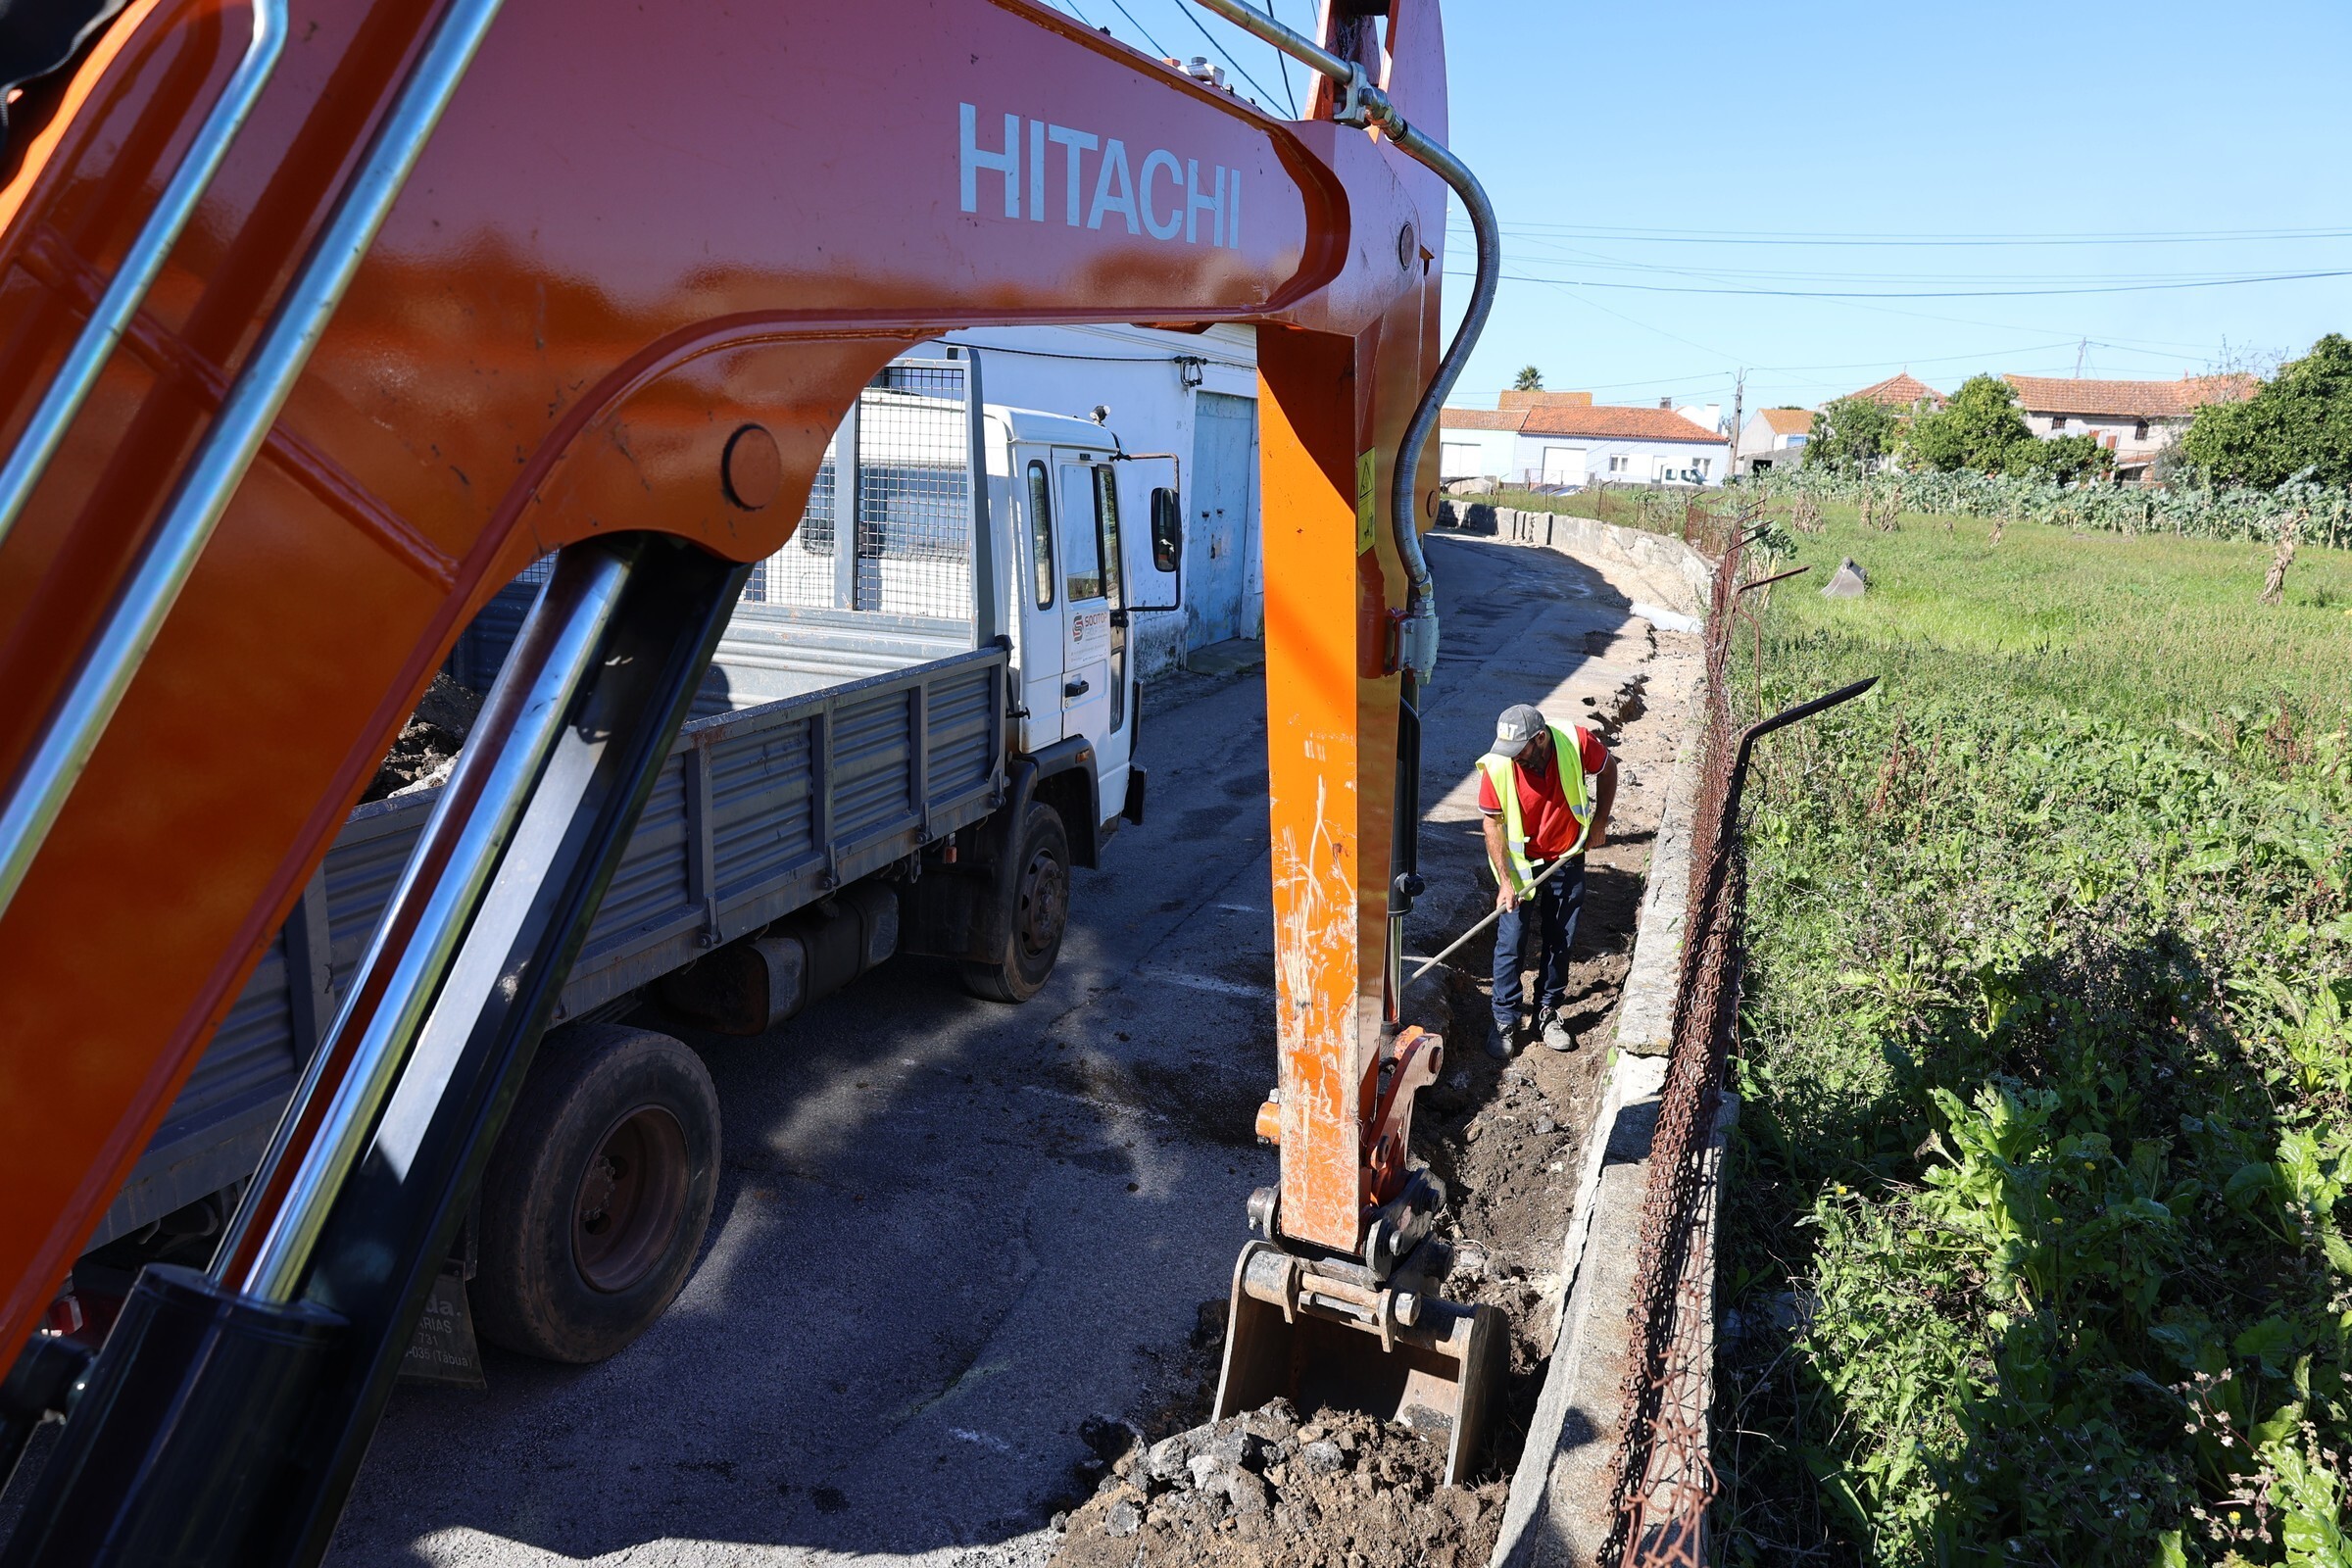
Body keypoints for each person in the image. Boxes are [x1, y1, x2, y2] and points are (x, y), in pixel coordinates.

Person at [1478, 703, 1616, 1057]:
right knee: (1511, 941)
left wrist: (1600, 820)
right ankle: (1504, 1019)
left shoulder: (1575, 742)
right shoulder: (1497, 765)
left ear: (1540, 739)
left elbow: (1607, 768)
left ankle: (1548, 1012)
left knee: (1559, 938)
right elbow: (1491, 823)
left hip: (1566, 856)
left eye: (1519, 750)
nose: (1513, 758)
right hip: (1521, 867)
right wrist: (1505, 883)